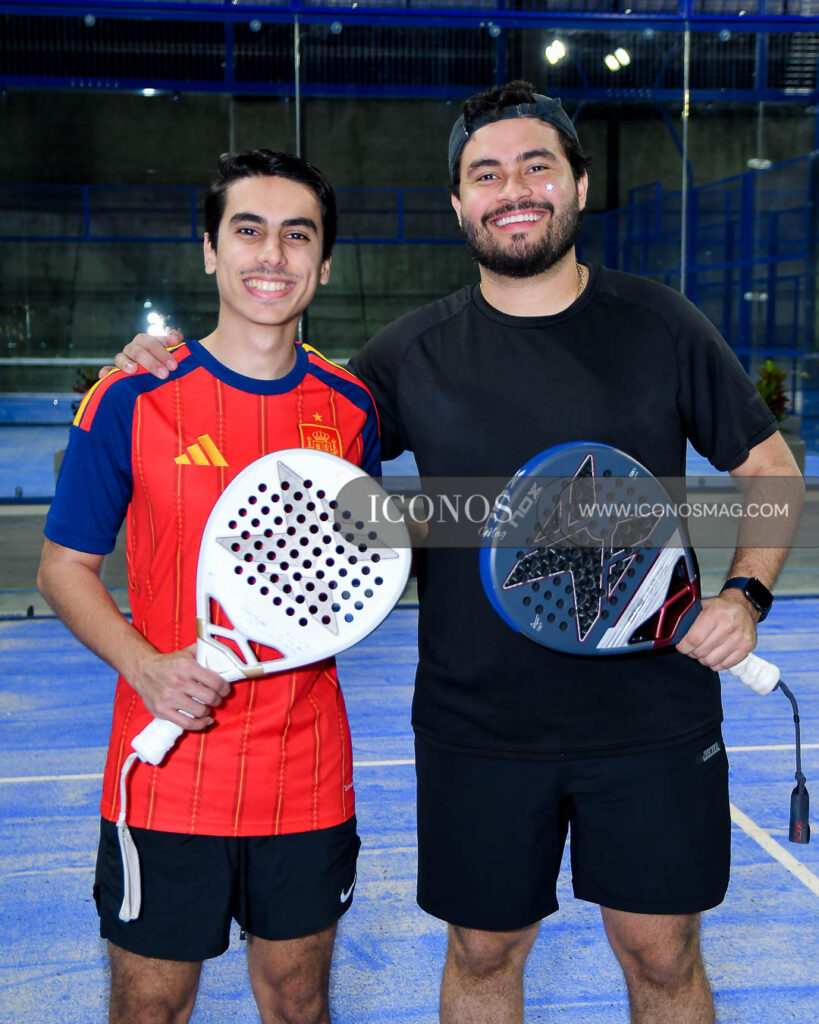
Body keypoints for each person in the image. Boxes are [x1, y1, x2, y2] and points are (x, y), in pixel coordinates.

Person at [109, 83, 803, 1024]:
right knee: (482, 952)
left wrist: (743, 594)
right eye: (486, 173)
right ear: (457, 203)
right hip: (477, 728)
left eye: (535, 167)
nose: (511, 189)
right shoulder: (405, 356)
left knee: (662, 953)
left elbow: (768, 468)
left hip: (650, 719)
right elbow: (280, 433)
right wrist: (159, 363)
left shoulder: (661, 324)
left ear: (578, 185)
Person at [39, 149, 381, 1024]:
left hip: (307, 776)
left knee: (298, 1001)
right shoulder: (130, 397)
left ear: (325, 262)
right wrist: (148, 668)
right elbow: (64, 569)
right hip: (163, 776)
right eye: (249, 231)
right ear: (208, 250)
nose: (272, 254)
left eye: (296, 234)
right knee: (150, 1005)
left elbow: (343, 580)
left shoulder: (351, 411)